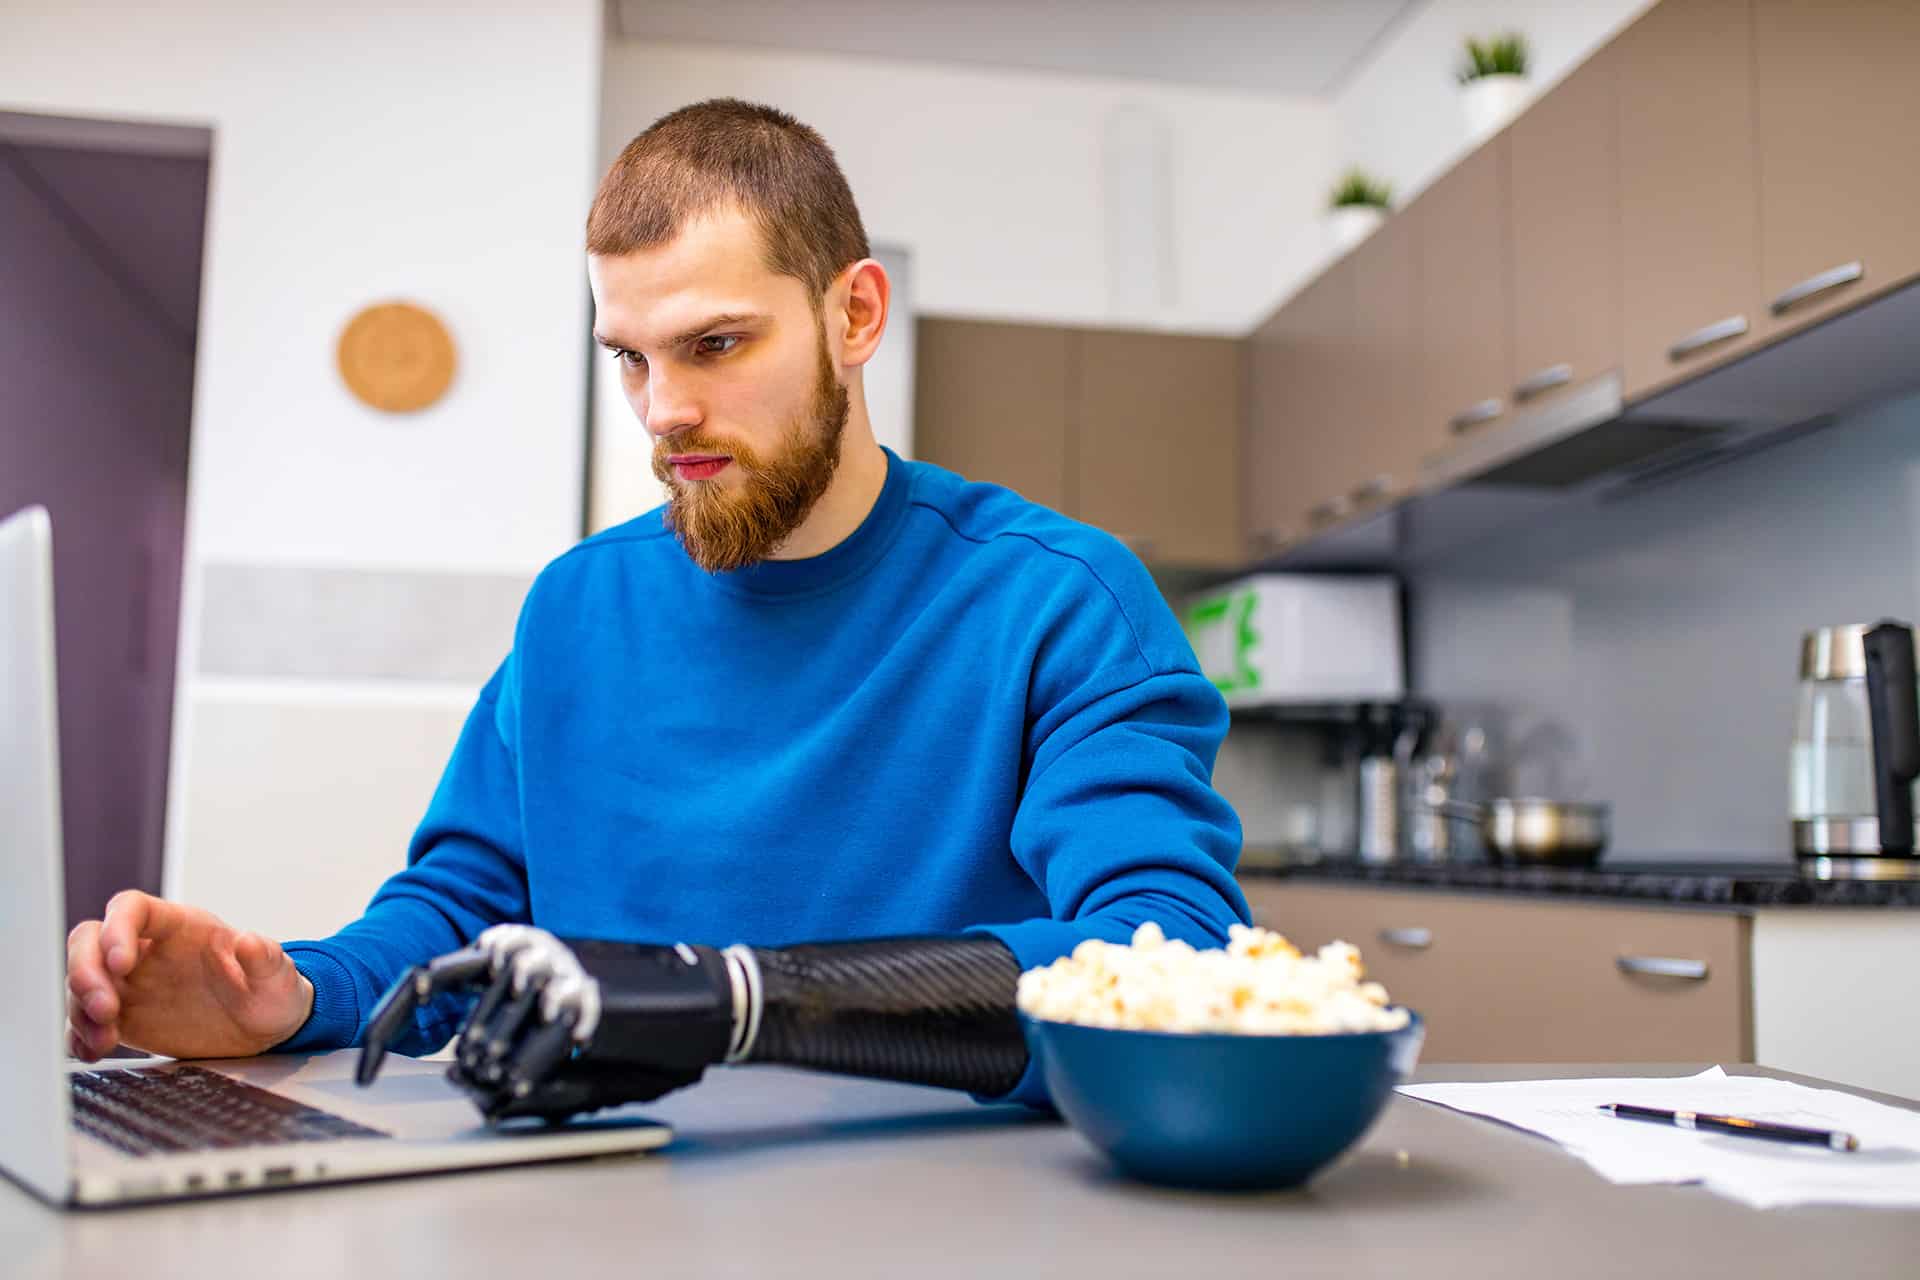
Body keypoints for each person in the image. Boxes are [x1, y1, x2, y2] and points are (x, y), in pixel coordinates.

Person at [64, 98, 1249, 1109]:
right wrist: (293, 993)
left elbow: (1169, 955)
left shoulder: (1058, 602)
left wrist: (743, 1002)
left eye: (715, 343)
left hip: (933, 1198)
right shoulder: (576, 608)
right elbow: (461, 910)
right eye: (629, 356)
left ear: (856, 316)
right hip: (604, 1191)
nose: (663, 408)